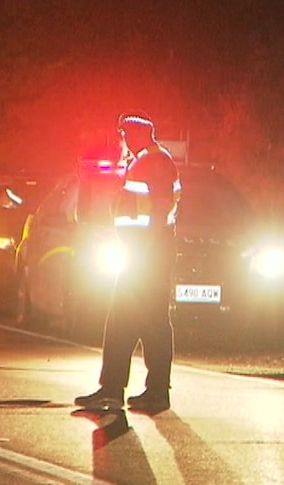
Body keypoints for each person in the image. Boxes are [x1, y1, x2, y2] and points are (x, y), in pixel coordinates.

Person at [75, 112, 182, 412]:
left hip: (146, 257)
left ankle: (116, 390)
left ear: (135, 134)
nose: (122, 140)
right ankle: (149, 391)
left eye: (124, 134)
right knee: (149, 323)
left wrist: (143, 253)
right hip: (146, 254)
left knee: (130, 322)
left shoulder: (154, 161)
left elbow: (158, 211)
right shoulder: (147, 160)